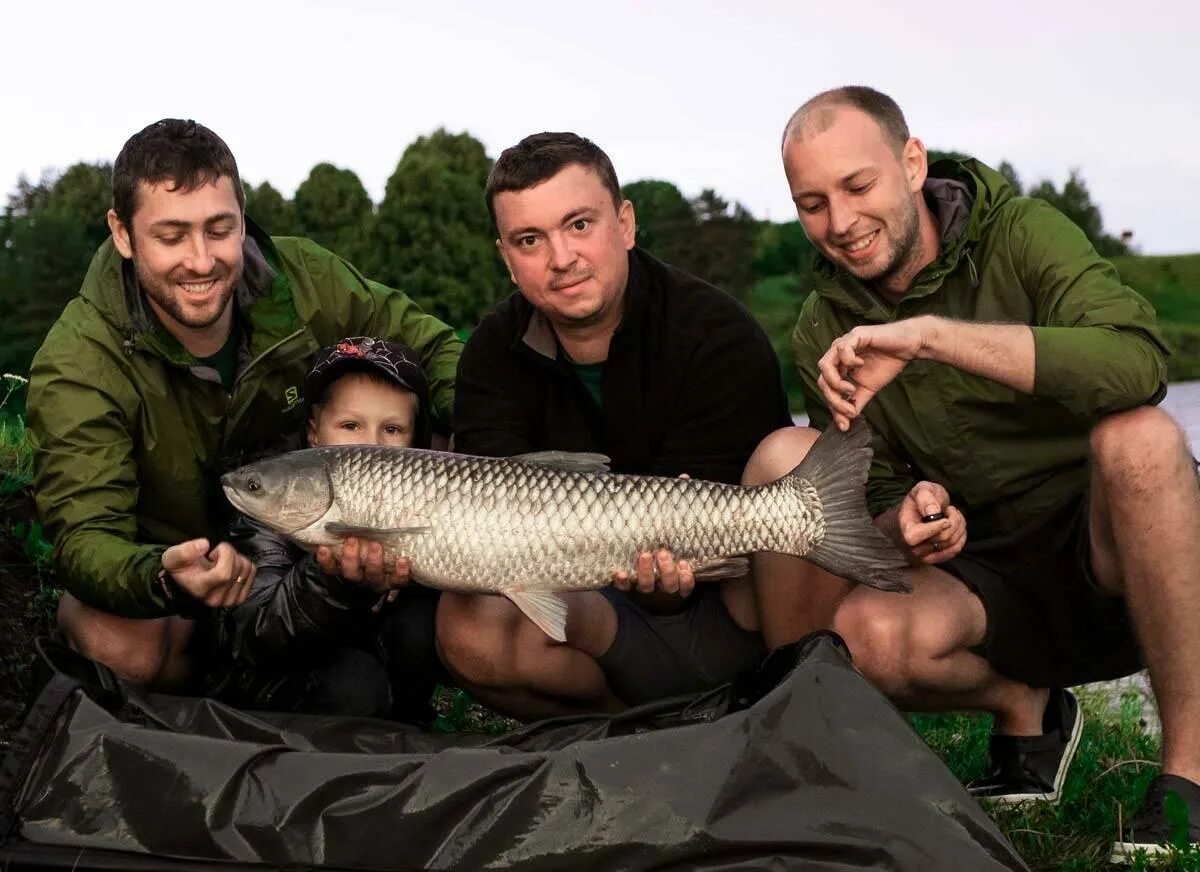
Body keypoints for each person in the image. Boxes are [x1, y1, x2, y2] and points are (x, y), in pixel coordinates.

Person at [741, 85, 1199, 861]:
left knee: (1140, 438)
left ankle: (1187, 777)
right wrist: (911, 513)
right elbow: (873, 490)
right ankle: (1027, 709)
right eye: (811, 203)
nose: (841, 224)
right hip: (986, 567)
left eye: (858, 187)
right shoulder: (821, 323)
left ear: (911, 163)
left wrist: (932, 338)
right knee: (865, 635)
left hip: (1109, 542)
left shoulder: (1022, 232)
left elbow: (1138, 359)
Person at [26, 119, 461, 693]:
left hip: (300, 555)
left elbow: (435, 348)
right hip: (181, 579)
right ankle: (199, 698)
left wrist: (483, 453)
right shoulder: (79, 360)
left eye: (219, 229)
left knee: (394, 650)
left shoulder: (306, 279)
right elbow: (85, 539)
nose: (202, 261)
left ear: (241, 217)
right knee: (122, 647)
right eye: (171, 236)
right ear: (123, 235)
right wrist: (163, 576)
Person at [438, 132, 792, 720]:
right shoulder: (491, 354)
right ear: (506, 257)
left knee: (792, 457)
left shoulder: (716, 331)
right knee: (467, 626)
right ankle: (631, 731)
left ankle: (791, 705)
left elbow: (734, 535)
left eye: (579, 225)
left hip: (735, 614)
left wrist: (677, 563)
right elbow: (494, 535)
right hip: (597, 623)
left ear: (624, 224)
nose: (561, 258)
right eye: (531, 239)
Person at [204, 336, 443, 720]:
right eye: (350, 425)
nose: (372, 446)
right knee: (355, 687)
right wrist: (332, 575)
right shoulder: (272, 492)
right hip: (274, 671)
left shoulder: (423, 487)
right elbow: (254, 630)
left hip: (367, 641)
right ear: (314, 431)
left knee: (420, 625)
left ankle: (410, 726)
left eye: (393, 430)